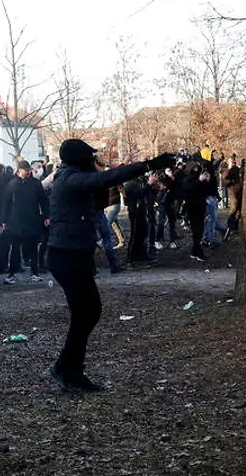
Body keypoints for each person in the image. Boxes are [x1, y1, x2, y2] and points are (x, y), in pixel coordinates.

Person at [46, 140, 175, 393]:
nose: (94, 162)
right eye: (90, 158)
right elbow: (105, 178)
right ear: (78, 159)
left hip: (73, 255)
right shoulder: (70, 178)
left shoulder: (71, 177)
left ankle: (68, 369)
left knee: (87, 313)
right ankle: (67, 370)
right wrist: (147, 165)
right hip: (66, 256)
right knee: (87, 312)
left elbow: (100, 195)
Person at [4, 159, 50, 281]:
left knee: (33, 247)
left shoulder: (35, 183)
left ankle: (34, 273)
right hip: (16, 222)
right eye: (26, 170)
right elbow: (6, 204)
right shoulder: (12, 184)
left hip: (32, 220)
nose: (28, 172)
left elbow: (43, 200)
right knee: (15, 249)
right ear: (19, 170)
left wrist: (46, 216)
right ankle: (11, 274)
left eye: (29, 170)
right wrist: (4, 221)